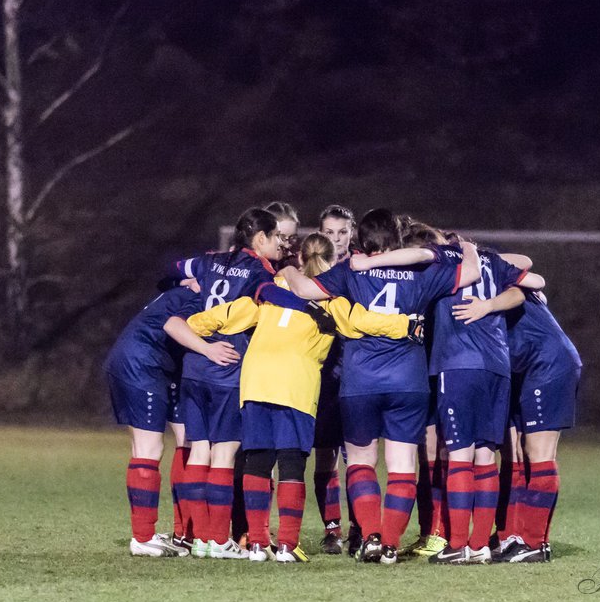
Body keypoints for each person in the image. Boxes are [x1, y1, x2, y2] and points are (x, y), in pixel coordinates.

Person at [181, 233, 420, 562]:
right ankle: (287, 545)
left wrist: (198, 325)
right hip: (295, 382)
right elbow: (363, 322)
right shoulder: (330, 297)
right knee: (292, 463)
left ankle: (257, 544)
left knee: (258, 461)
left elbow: (226, 314)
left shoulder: (271, 288)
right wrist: (407, 324)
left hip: (255, 380)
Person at [281, 208, 480, 563]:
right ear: (397, 239)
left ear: (361, 238)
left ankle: (371, 535)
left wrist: (287, 266)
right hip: (408, 381)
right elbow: (473, 273)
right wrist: (467, 248)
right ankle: (390, 543)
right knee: (403, 464)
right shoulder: (423, 272)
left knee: (360, 461)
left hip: (360, 382)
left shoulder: (350, 269)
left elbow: (304, 288)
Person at [352, 236, 543, 563]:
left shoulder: (440, 258)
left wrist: (369, 262)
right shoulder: (488, 259)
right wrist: (487, 296)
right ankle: (480, 544)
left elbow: (418, 253)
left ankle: (457, 544)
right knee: (485, 457)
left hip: (459, 364)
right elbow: (531, 282)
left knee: (459, 455)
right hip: (497, 366)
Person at [163, 207, 284, 559]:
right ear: (260, 238)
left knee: (198, 451)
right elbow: (269, 296)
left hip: (193, 366)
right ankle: (218, 540)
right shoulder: (260, 268)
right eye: (275, 237)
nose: (278, 244)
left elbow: (172, 269)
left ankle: (199, 537)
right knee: (225, 454)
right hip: (227, 368)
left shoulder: (207, 260)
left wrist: (187, 282)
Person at [104, 285, 237, 557]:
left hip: (155, 365)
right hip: (141, 364)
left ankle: (185, 533)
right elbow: (173, 324)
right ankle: (143, 537)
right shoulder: (196, 296)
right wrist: (208, 349)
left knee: (189, 439)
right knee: (148, 448)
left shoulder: (187, 290)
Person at [496, 288, 581, 562]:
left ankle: (534, 543)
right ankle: (514, 536)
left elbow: (526, 272)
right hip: (524, 367)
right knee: (516, 452)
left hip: (547, 364)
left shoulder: (489, 273)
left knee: (540, 453)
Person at [310, 205, 357, 553]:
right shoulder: (308, 272)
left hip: (357, 372)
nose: (336, 239)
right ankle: (332, 530)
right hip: (322, 373)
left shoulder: (362, 268)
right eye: (329, 232)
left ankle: (361, 527)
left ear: (352, 233)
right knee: (325, 455)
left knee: (357, 456)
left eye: (342, 232)